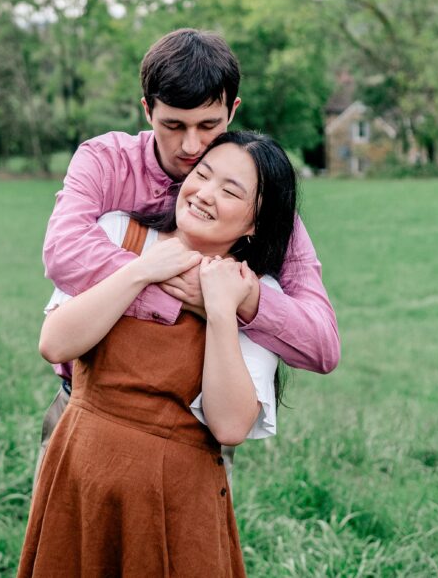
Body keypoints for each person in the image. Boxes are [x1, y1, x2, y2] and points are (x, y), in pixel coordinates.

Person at [35, 29, 340, 481]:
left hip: (191, 435)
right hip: (83, 409)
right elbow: (64, 252)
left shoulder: (261, 204)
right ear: (147, 109)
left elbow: (321, 345)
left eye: (209, 126)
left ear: (233, 110)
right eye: (173, 125)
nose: (192, 146)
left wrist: (239, 302)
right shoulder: (106, 161)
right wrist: (186, 289)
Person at [18, 131, 299, 576]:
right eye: (203, 175)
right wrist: (142, 270)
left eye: (230, 191)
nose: (206, 194)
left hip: (175, 503)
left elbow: (229, 426)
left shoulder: (257, 293)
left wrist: (222, 311)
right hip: (77, 475)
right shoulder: (118, 234)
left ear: (255, 224)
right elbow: (55, 342)